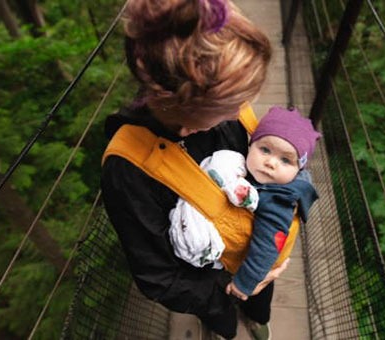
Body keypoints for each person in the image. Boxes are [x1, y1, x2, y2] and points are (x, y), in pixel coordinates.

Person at [101, 0, 288, 339]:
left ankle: (257, 317)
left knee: (260, 303)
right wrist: (231, 288)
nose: (243, 108)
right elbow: (158, 276)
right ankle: (225, 328)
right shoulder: (127, 171)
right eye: (232, 105)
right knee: (223, 322)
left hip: (255, 249)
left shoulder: (226, 115)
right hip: (207, 283)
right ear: (190, 120)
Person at [168, 106, 320, 300]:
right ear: (251, 145)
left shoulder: (278, 201)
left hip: (257, 268)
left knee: (259, 300)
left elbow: (268, 246)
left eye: (285, 160)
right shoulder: (259, 177)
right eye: (265, 149)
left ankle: (258, 318)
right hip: (246, 255)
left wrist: (245, 283)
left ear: (298, 170)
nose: (271, 163)